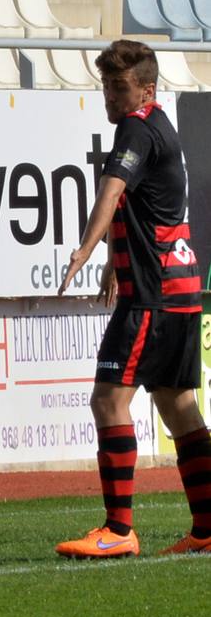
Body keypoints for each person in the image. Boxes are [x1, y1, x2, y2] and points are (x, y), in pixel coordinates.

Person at [56, 39, 209, 558]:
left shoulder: (137, 128)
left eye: (119, 86)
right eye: (105, 85)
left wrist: (85, 248)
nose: (110, 96)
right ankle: (208, 529)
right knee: (178, 405)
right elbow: (144, 207)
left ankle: (118, 531)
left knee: (108, 400)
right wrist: (111, 262)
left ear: (147, 89)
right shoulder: (160, 127)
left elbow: (114, 190)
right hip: (180, 288)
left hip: (153, 294)